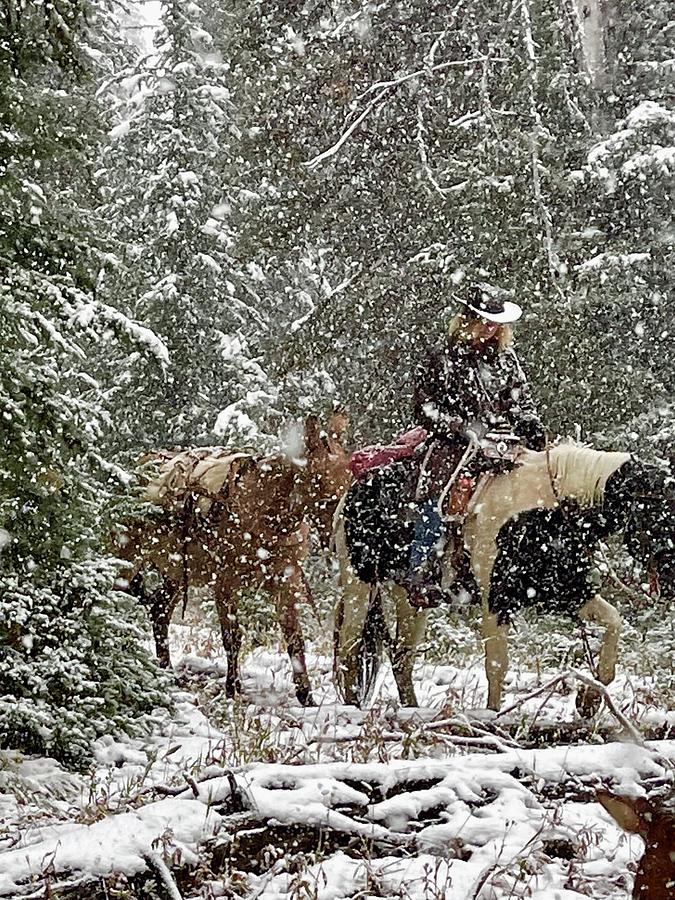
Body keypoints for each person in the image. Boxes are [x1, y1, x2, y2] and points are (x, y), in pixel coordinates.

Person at [406, 282, 546, 607]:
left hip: (501, 445)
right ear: (467, 318)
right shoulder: (441, 359)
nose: (491, 328)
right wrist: (458, 427)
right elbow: (424, 407)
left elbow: (520, 400)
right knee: (438, 498)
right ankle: (422, 570)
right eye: (485, 321)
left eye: (496, 322)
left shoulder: (506, 360)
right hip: (453, 444)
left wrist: (529, 422)